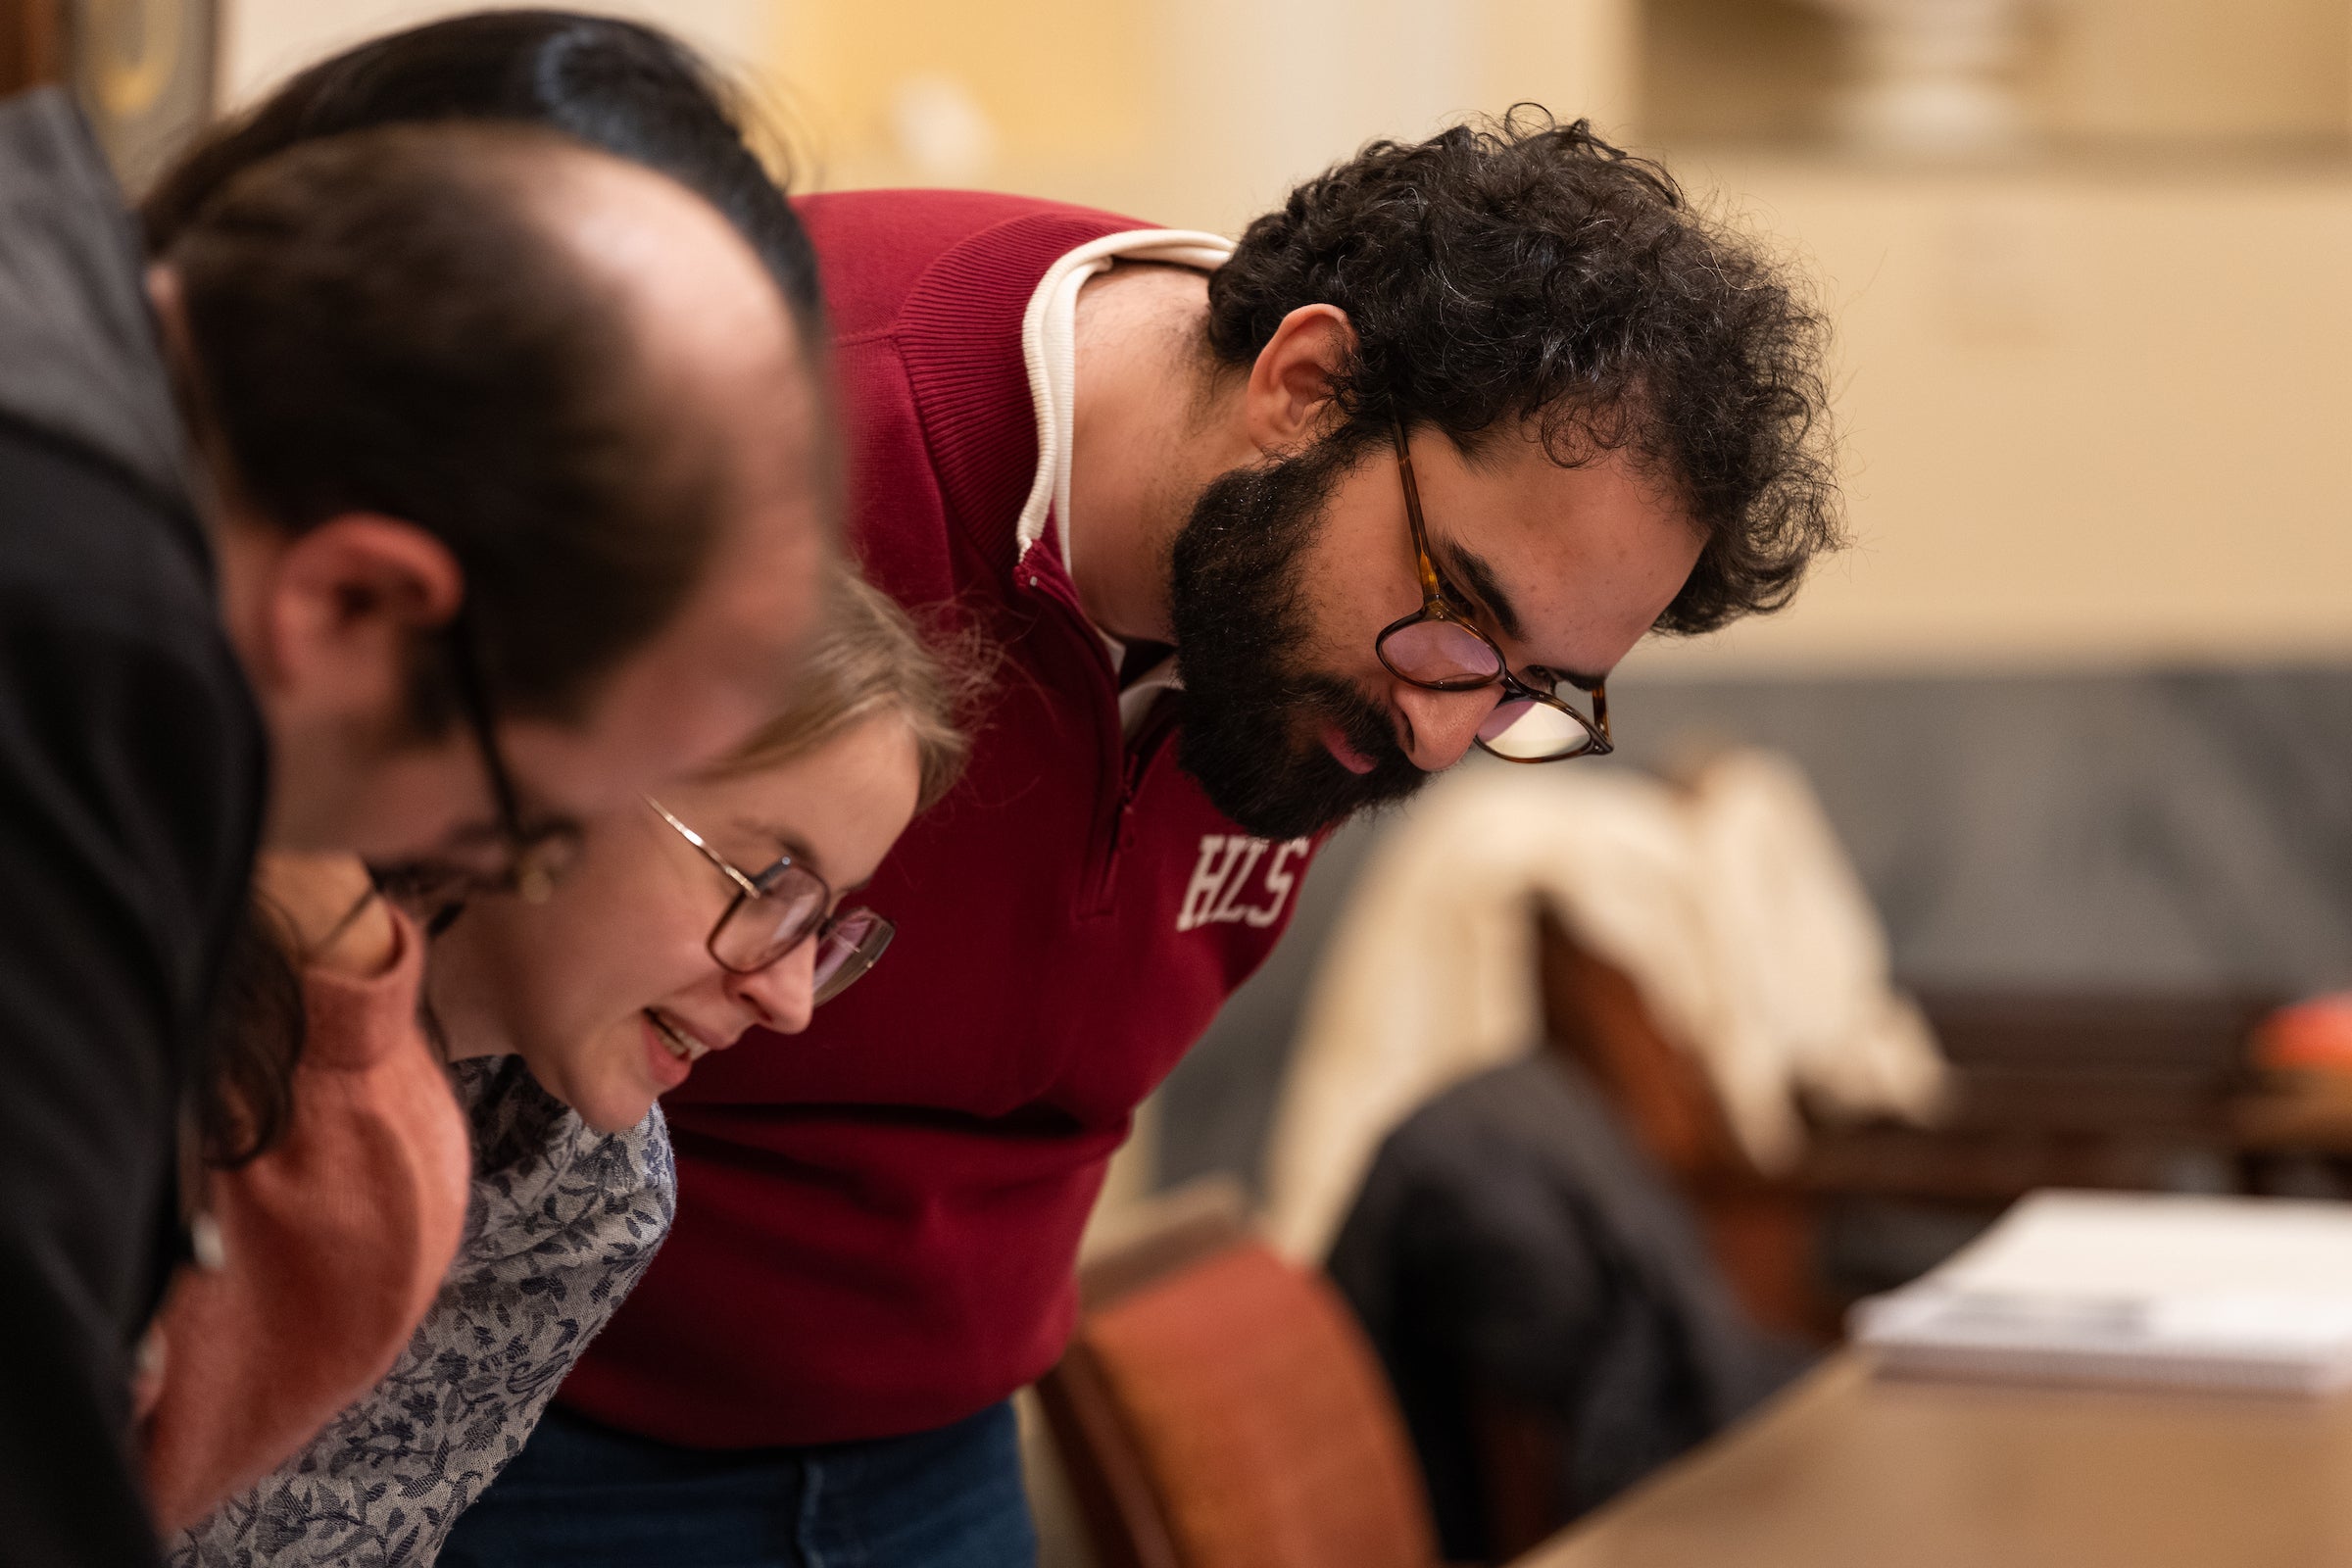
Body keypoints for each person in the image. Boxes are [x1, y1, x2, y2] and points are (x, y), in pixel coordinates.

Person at [451, 112, 1846, 1566]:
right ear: (1304, 386)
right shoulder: (775, 418)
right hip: (529, 1419)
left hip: (946, 1445)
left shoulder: (1328, 657)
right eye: (1462, 614)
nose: (1444, 736)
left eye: (1529, 686)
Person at [0, 80, 827, 1568]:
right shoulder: (81, 673)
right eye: (516, 818)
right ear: (354, 599)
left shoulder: (57, 278)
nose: (454, 876)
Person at [167, 573, 968, 1567]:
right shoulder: (163, 914)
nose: (790, 1000)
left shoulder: (584, 1197)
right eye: (770, 886)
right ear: (553, 762)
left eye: (822, 925)